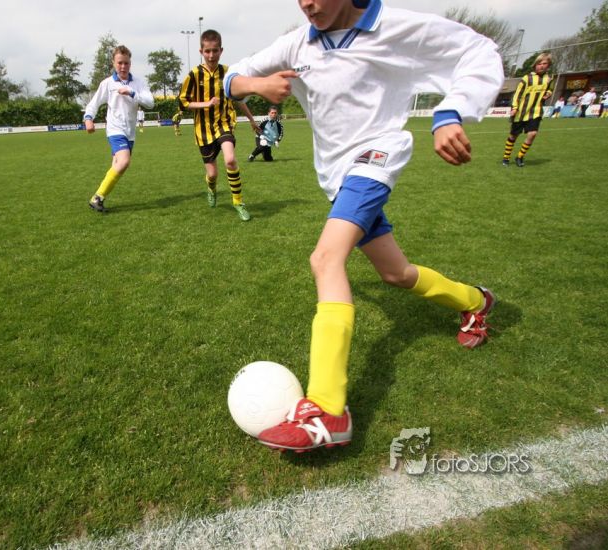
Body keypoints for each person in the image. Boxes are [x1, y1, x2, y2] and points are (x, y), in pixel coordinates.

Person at [224, 0, 503, 453]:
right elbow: (231, 78)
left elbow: (479, 51)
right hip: (337, 178)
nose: (307, 3)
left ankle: (328, 410)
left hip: (376, 158)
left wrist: (451, 111)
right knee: (396, 273)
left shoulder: (394, 27)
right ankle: (476, 302)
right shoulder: (297, 43)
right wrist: (257, 84)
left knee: (325, 259)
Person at [178, 29, 260, 221]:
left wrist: (251, 119)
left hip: (224, 124)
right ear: (201, 51)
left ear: (221, 50)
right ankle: (211, 188)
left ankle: (238, 202)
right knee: (213, 174)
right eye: (207, 51)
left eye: (215, 50)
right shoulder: (194, 75)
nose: (211, 55)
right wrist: (206, 103)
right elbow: (183, 103)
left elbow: (238, 99)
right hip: (203, 131)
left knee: (230, 160)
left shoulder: (228, 73)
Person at [83, 45, 154, 213]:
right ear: (113, 63)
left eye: (126, 63)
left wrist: (132, 93)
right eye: (120, 63)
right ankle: (97, 197)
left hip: (130, 132)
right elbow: (94, 103)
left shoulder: (138, 83)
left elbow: (150, 103)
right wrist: (88, 118)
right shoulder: (108, 83)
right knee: (124, 161)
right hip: (115, 129)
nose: (123, 66)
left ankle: (100, 199)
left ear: (130, 63)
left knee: (117, 164)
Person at [501, 53, 553, 168]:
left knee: (532, 134)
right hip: (521, 112)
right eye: (539, 63)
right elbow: (517, 94)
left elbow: (550, 89)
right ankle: (506, 157)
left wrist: (548, 94)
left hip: (536, 112)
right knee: (513, 136)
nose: (542, 66)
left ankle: (520, 156)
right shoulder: (527, 78)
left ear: (548, 65)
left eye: (544, 64)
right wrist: (514, 108)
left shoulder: (548, 79)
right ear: (535, 65)